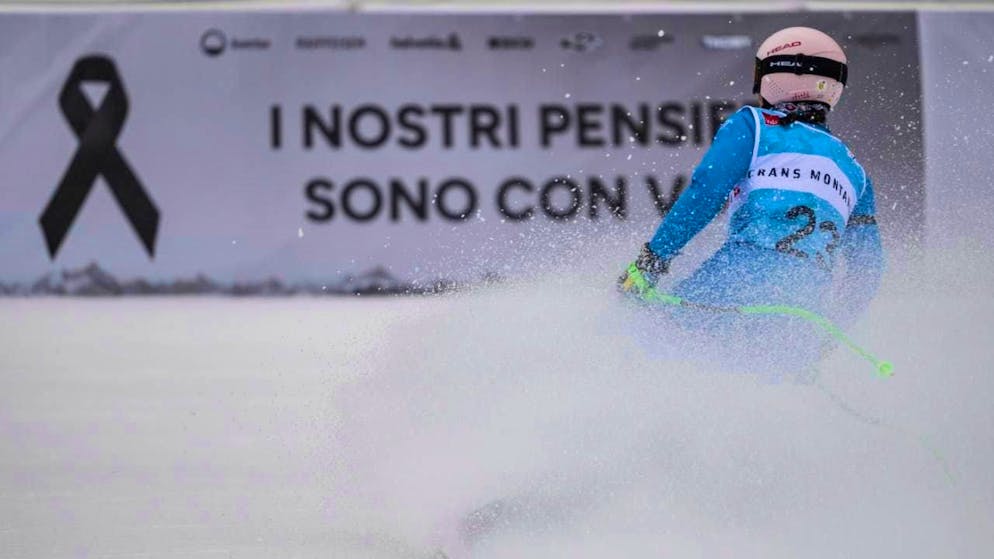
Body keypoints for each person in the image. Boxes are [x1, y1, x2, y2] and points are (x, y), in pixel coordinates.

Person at [618, 26, 884, 374]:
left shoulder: (754, 125)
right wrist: (828, 332)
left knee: (645, 350)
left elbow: (706, 192)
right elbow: (868, 269)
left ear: (776, 75)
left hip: (735, 280)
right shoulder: (857, 173)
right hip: (804, 312)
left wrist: (651, 262)